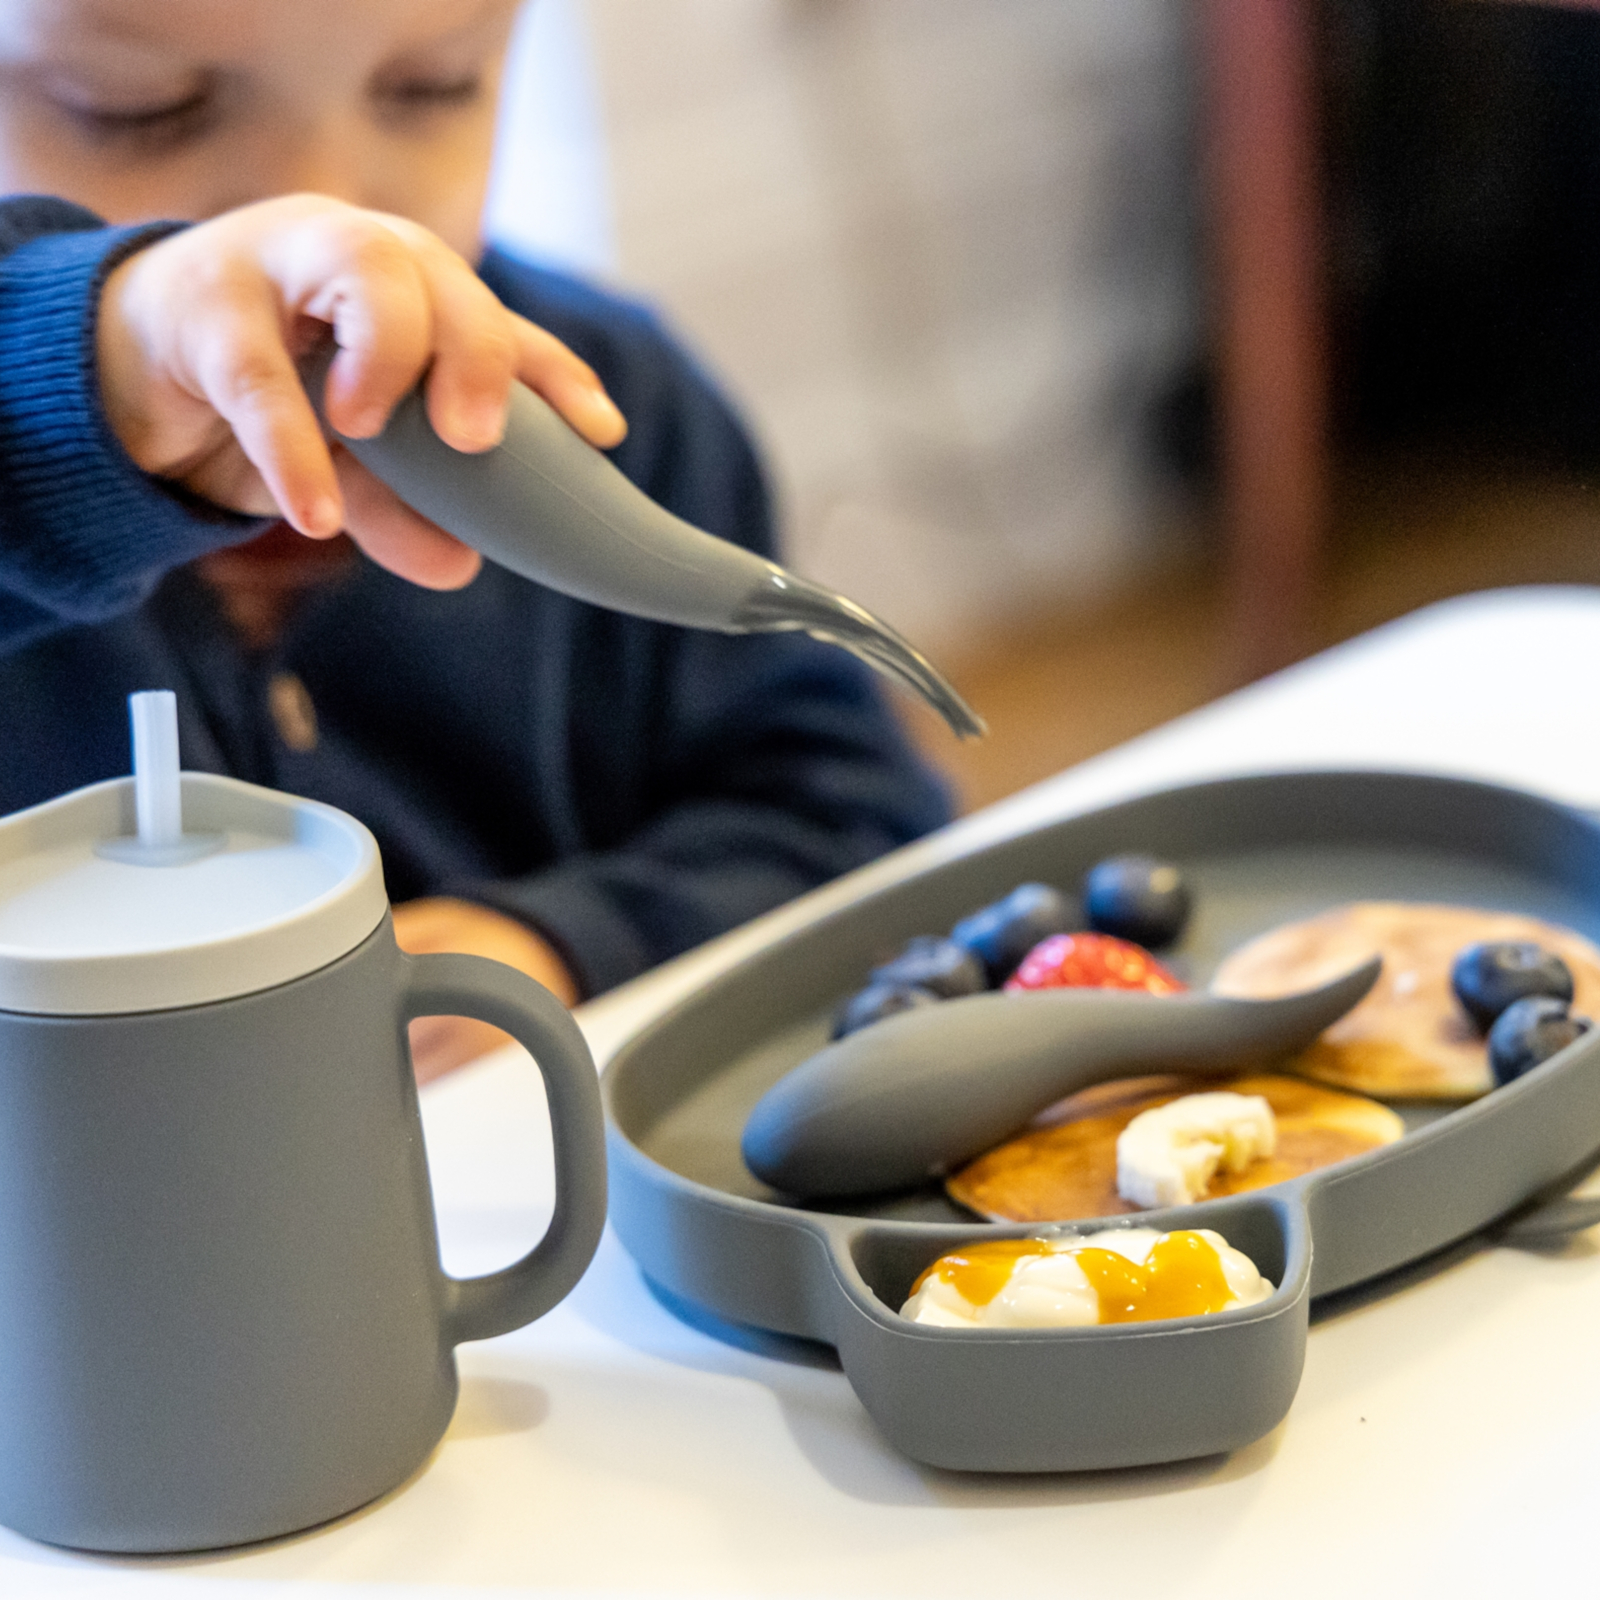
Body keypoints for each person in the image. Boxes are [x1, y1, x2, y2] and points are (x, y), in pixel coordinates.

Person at [0, 0, 951, 1078]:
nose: (323, 211)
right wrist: (73, 398)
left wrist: (567, 941)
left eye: (430, 89)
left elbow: (855, 822)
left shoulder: (616, 403)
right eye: (140, 111)